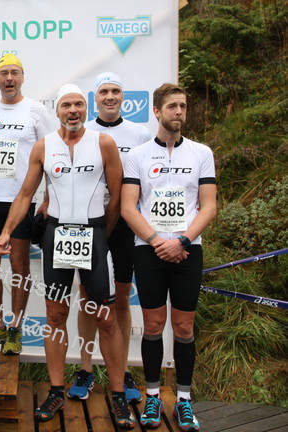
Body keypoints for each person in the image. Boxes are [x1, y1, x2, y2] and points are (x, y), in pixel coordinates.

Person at [0, 84, 136, 428]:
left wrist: (101, 233)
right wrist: (6, 231)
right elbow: (25, 193)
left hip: (94, 234)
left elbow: (117, 195)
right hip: (56, 235)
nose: (73, 110)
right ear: (57, 111)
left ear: (85, 109)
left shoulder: (103, 143)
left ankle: (118, 395)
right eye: (66, 105)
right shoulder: (44, 146)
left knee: (105, 317)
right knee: (56, 315)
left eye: (78, 104)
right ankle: (56, 390)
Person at [121, 83, 216, 432]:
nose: (179, 112)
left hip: (188, 249)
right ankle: (152, 396)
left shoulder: (201, 152)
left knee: (184, 327)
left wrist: (182, 240)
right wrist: (156, 241)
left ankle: (184, 400)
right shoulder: (139, 155)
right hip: (149, 250)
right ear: (157, 111)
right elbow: (128, 207)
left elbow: (209, 206)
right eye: (173, 106)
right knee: (153, 326)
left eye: (183, 106)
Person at [69, 72, 153, 402]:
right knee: (87, 296)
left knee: (121, 298)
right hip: (88, 222)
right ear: (95, 98)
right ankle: (85, 368)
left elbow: (146, 179)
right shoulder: (83, 131)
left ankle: (124, 368)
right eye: (103, 91)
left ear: (122, 97)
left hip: (125, 224)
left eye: (115, 91)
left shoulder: (140, 132)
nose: (110, 96)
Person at [0, 53, 56, 355]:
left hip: (22, 200)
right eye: (4, 73)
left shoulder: (35, 110)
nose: (9, 78)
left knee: (19, 265)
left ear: (22, 78)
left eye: (14, 73)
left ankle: (16, 328)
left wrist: (48, 197)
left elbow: (51, 155)